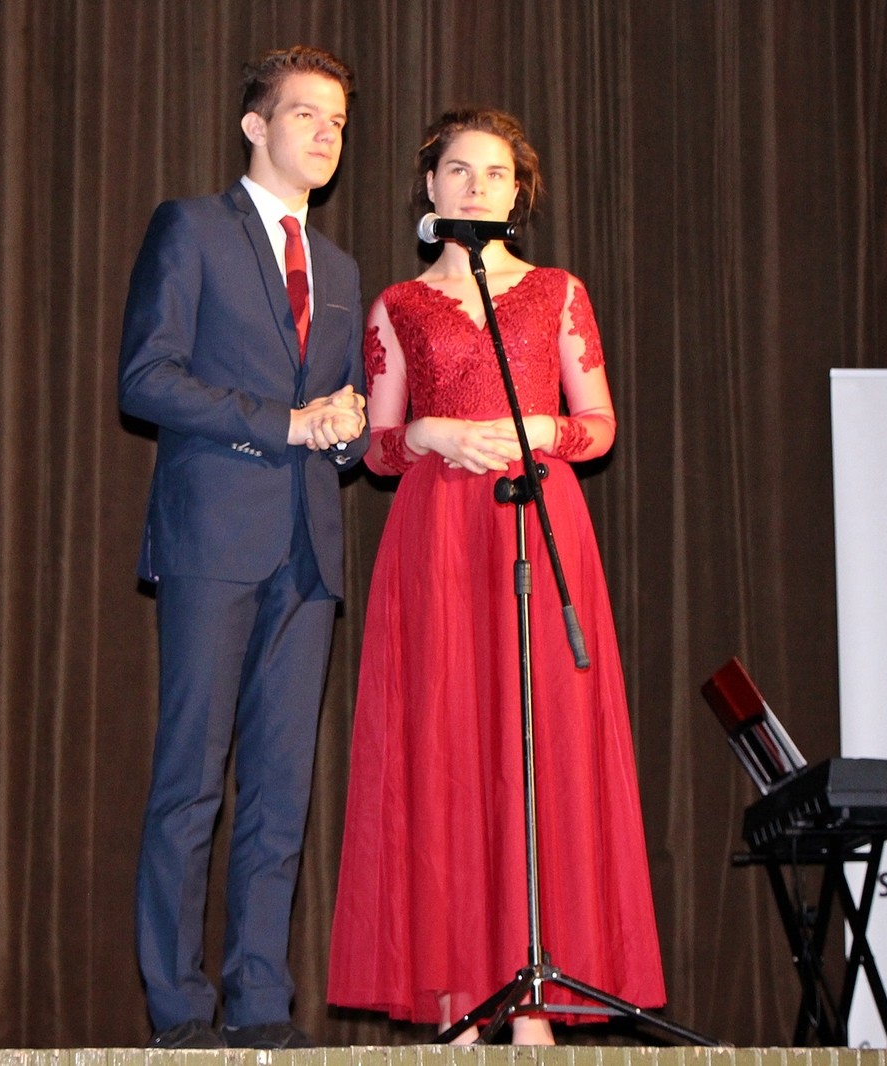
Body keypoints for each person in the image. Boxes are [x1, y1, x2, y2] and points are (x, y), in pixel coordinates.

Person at [326, 107, 665, 1045]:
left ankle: (534, 1006)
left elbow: (599, 425)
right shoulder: (398, 304)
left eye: (496, 174)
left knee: (538, 747)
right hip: (437, 536)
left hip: (537, 522)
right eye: (458, 171)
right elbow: (379, 449)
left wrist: (538, 430)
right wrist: (428, 432)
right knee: (445, 747)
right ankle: (455, 1000)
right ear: (429, 186)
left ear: (520, 196)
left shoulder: (557, 292)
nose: (476, 187)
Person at [117, 44, 367, 1050]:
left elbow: (338, 417)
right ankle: (180, 1012)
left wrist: (343, 431)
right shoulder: (192, 228)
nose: (325, 133)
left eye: (338, 121)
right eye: (306, 113)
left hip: (309, 550)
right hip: (214, 537)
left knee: (279, 792)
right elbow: (146, 377)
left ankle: (261, 1003)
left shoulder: (340, 270)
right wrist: (285, 422)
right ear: (254, 125)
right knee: (190, 779)